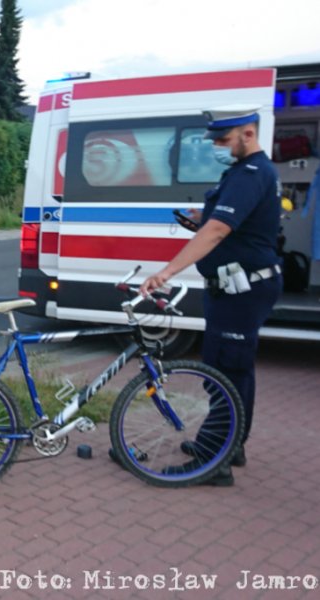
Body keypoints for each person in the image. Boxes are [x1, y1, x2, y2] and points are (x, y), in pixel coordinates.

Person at [138, 105, 283, 486]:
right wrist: (198, 220)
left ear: (248, 135)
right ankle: (231, 446)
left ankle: (212, 462)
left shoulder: (252, 173)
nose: (217, 145)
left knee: (226, 373)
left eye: (223, 139)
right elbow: (226, 224)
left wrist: (168, 271)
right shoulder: (241, 172)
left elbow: (219, 230)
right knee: (235, 370)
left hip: (243, 289)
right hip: (237, 287)